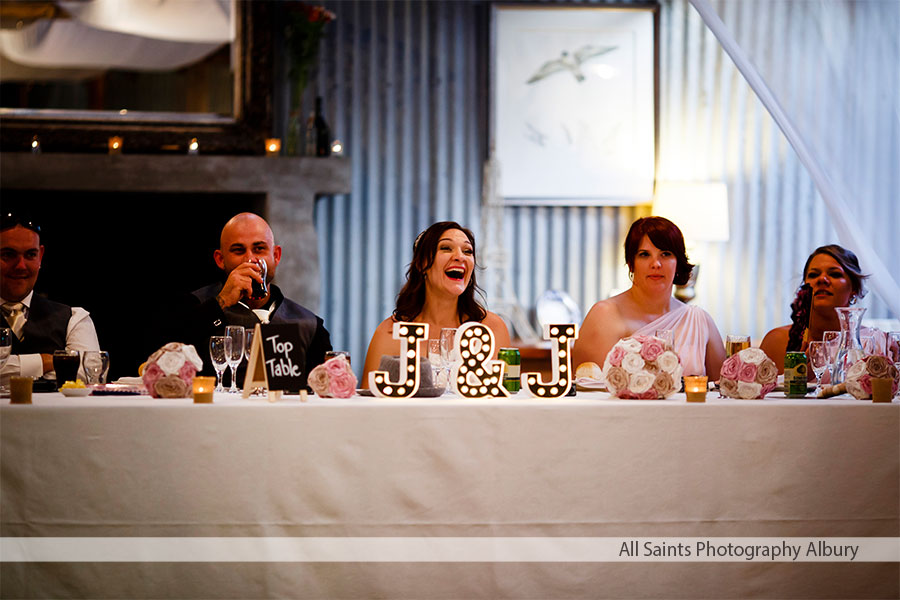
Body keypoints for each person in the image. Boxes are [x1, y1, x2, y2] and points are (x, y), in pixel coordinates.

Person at [174, 212, 331, 387]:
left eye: (259, 249)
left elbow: (324, 394)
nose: (250, 259)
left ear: (276, 256)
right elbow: (165, 359)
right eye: (238, 250)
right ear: (220, 259)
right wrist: (222, 301)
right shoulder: (193, 306)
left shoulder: (309, 325)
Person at [573, 216, 726, 379]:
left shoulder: (699, 320)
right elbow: (590, 392)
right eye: (645, 254)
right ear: (631, 263)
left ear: (678, 263)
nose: (656, 264)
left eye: (665, 254)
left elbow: (722, 392)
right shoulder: (604, 315)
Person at [362, 221, 510, 385]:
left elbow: (508, 402)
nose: (460, 256)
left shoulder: (493, 328)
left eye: (467, 251)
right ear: (421, 264)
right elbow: (369, 405)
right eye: (446, 248)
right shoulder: (390, 332)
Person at [0, 212, 100, 384]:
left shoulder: (74, 318)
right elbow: (69, 375)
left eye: (30, 255)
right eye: (8, 254)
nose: (21, 266)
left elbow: (88, 376)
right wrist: (45, 361)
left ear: (41, 256)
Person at [760, 244, 870, 375]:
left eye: (834, 274)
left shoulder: (870, 343)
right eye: (813, 275)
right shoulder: (777, 342)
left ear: (854, 289)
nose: (822, 279)